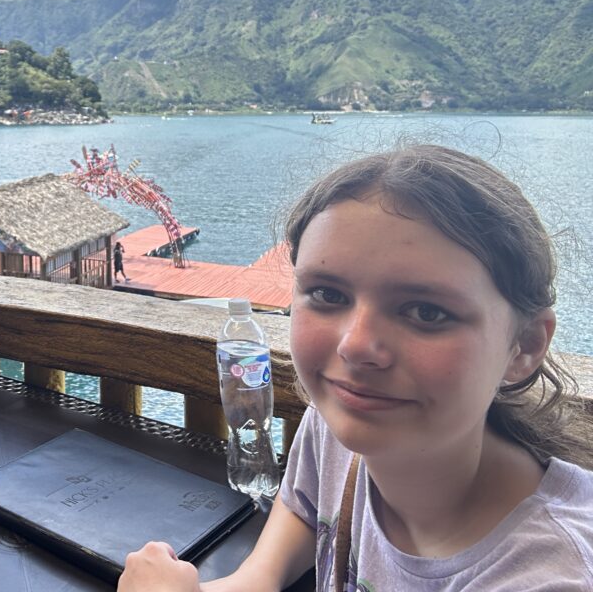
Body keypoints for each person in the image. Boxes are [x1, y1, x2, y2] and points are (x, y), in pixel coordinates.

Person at [119, 144, 593, 591]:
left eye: (426, 311)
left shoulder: (546, 573)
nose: (357, 346)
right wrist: (254, 580)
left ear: (525, 346)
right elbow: (306, 508)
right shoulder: (340, 422)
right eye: (328, 294)